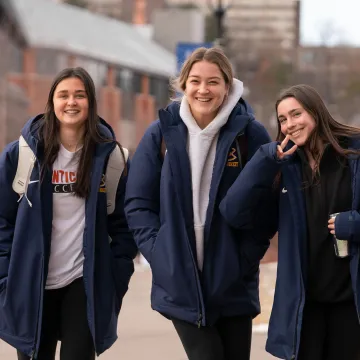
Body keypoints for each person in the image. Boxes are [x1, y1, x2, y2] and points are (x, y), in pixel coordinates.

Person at [124, 47, 271, 360]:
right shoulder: (161, 133)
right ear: (183, 85)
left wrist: (244, 257)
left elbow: (267, 206)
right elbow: (138, 203)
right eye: (195, 81)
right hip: (181, 281)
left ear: (228, 86)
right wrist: (159, 252)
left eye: (213, 82)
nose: (204, 89)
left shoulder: (250, 134)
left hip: (233, 283)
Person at [0, 67, 137, 360]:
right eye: (63, 95)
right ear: (52, 102)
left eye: (79, 95)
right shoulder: (22, 154)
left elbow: (125, 225)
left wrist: (115, 277)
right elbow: (2, 219)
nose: (71, 102)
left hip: (82, 284)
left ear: (91, 102)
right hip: (30, 285)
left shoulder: (109, 158)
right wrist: (5, 279)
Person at [219, 84, 360, 360]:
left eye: (296, 114)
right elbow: (233, 211)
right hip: (304, 305)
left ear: (316, 113)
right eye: (283, 119)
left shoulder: (353, 154)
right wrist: (264, 159)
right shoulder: (284, 167)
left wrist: (356, 225)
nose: (290, 125)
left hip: (351, 303)